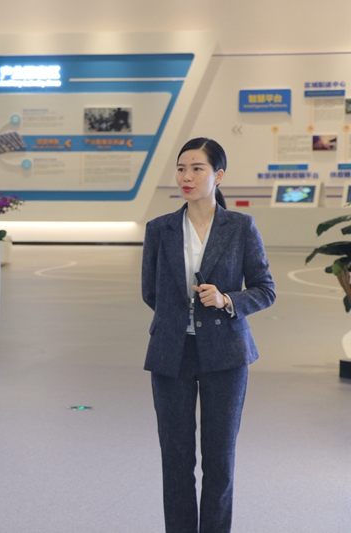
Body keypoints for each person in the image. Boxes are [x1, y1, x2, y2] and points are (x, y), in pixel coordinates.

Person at [141, 137, 275, 532]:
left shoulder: (240, 227)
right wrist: (179, 319)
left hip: (226, 354)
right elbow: (151, 292)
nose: (186, 176)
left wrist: (226, 299)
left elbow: (265, 289)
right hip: (171, 352)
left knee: (219, 461)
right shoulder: (160, 229)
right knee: (176, 459)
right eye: (181, 168)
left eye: (197, 168)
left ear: (218, 176)